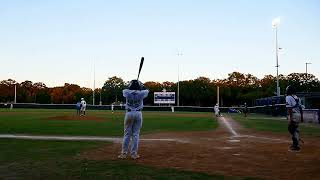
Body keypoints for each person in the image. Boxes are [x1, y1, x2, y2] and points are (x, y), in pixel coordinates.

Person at [118, 80, 149, 160]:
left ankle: (123, 154)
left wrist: (133, 85)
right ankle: (134, 154)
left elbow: (124, 88)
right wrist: (141, 85)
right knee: (136, 134)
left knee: (127, 134)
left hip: (129, 114)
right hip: (138, 114)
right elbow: (147, 90)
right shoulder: (142, 93)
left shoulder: (126, 92)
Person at [286, 85, 304, 152]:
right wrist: (301, 117)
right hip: (298, 114)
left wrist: (290, 118)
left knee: (291, 128)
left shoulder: (288, 97)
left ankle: (295, 145)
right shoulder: (297, 98)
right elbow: (300, 108)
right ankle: (296, 138)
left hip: (294, 115)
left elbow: (289, 108)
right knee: (294, 128)